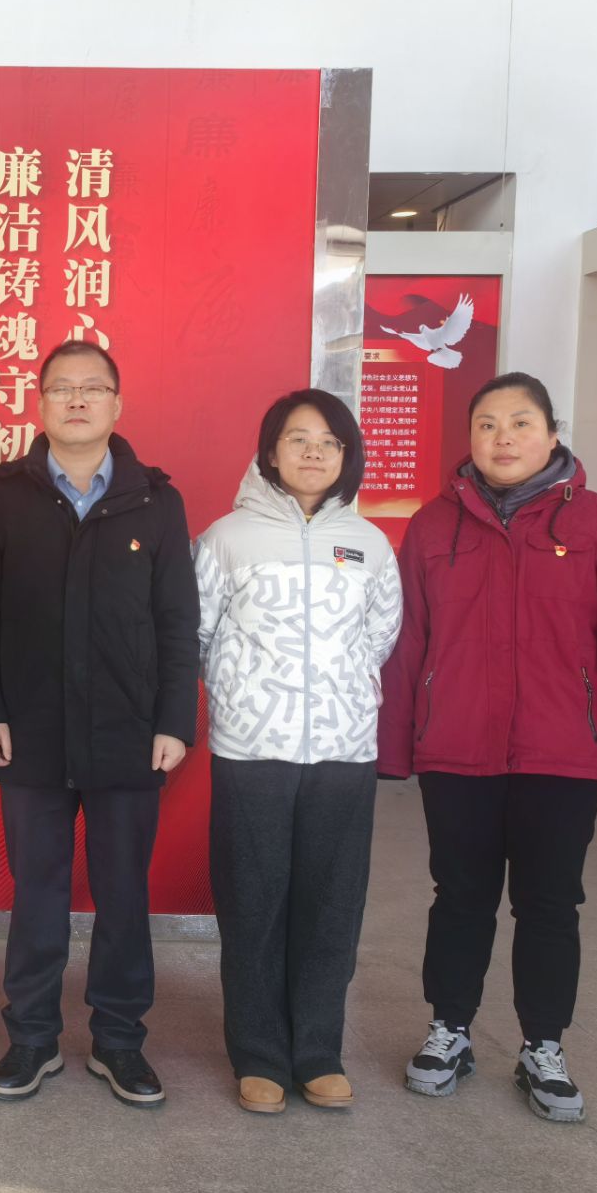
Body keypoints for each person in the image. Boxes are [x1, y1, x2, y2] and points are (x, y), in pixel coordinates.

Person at [378, 371, 597, 1124]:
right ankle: (450, 1028)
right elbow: (407, 642)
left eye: (520, 423)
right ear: (470, 437)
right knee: (459, 897)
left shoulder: (596, 522)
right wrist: (394, 744)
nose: (503, 438)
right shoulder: (432, 526)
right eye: (487, 425)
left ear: (552, 433)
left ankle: (543, 1045)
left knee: (550, 903)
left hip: (562, 752)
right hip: (457, 749)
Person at [0, 340, 200, 1107]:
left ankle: (119, 1040)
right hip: (29, 732)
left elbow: (177, 620)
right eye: (61, 387)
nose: (76, 400)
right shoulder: (2, 498)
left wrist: (174, 719)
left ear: (117, 405)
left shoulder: (156, 503)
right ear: (39, 404)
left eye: (92, 387)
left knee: (124, 891)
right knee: (38, 889)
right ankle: (31, 1036)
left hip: (129, 732)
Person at [194, 389, 401, 1115]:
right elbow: (198, 632)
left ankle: (318, 1051)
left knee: (332, 904)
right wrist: (242, 695)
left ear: (347, 455)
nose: (313, 452)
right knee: (252, 903)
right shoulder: (227, 538)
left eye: (329, 441)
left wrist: (344, 697)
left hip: (344, 751)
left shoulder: (370, 544)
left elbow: (381, 635)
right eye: (297, 438)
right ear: (270, 450)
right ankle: (257, 1054)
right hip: (252, 750)